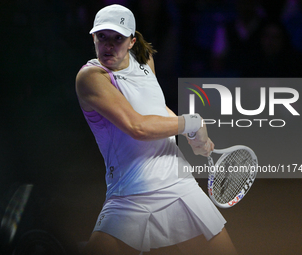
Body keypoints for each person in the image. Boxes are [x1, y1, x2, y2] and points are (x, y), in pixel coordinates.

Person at [75, 4, 237, 255]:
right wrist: (193, 122)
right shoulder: (91, 77)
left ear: (131, 41)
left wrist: (190, 134)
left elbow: (158, 110)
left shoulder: (144, 60)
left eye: (118, 38)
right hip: (130, 193)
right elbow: (137, 127)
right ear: (93, 37)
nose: (108, 45)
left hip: (178, 183)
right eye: (102, 37)